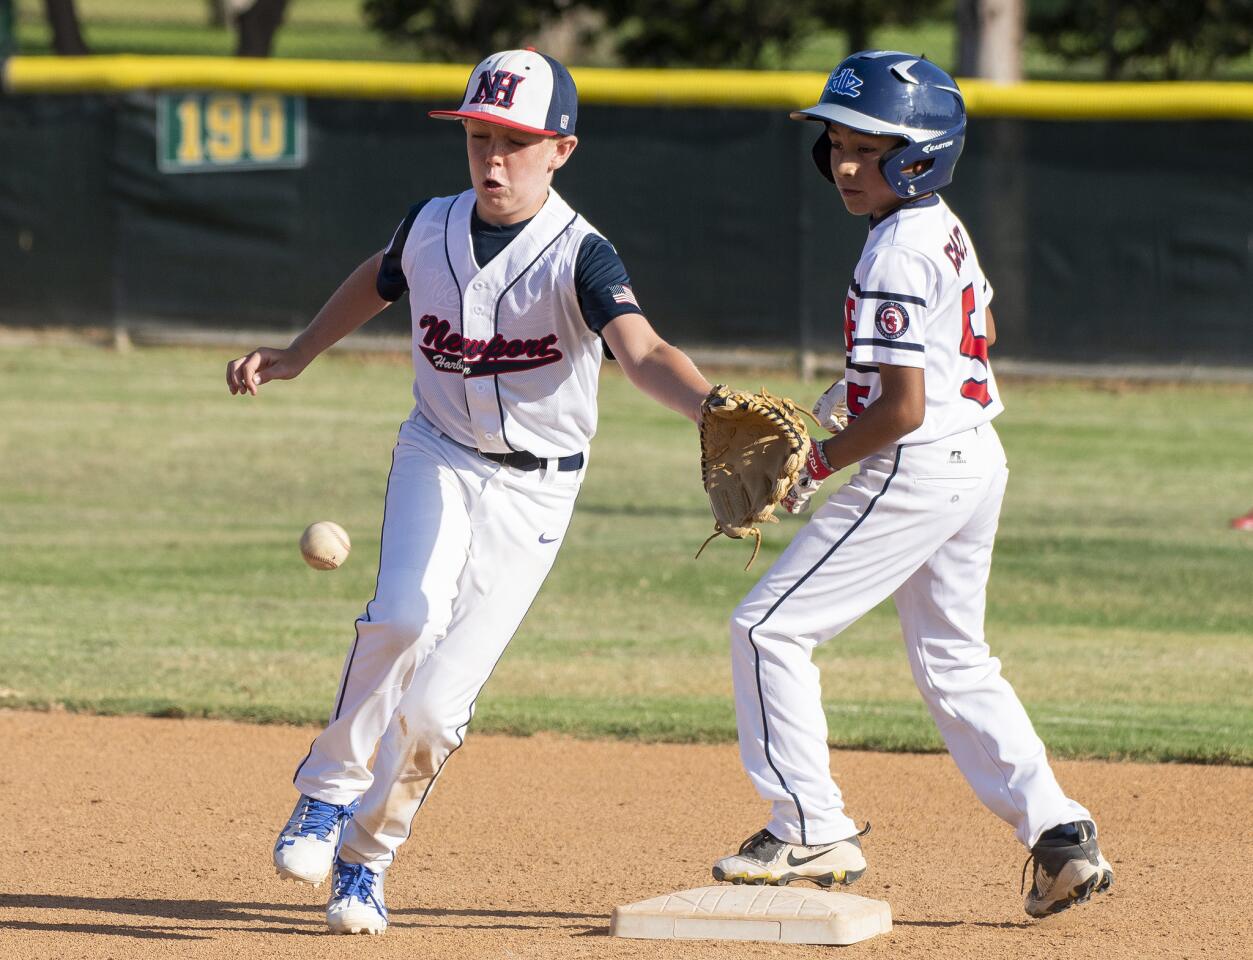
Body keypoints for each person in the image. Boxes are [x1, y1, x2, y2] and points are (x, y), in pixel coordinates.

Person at [226, 49, 711, 935]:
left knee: (439, 708)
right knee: (403, 616)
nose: (493, 159)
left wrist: (712, 410)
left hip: (535, 496)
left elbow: (641, 352)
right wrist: (297, 352)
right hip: (438, 454)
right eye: (479, 137)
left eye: (515, 143)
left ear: (560, 149)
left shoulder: (580, 254)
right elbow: (377, 279)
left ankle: (365, 862)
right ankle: (325, 795)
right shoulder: (432, 223)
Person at [710, 51, 1114, 919]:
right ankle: (1058, 832)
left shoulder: (894, 249)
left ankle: (808, 822)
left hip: (916, 465)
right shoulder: (940, 225)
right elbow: (984, 327)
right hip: (976, 458)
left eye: (868, 148)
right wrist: (856, 388)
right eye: (837, 146)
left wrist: (815, 461)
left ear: (920, 152)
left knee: (767, 629)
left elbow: (898, 409)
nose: (846, 165)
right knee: (954, 659)